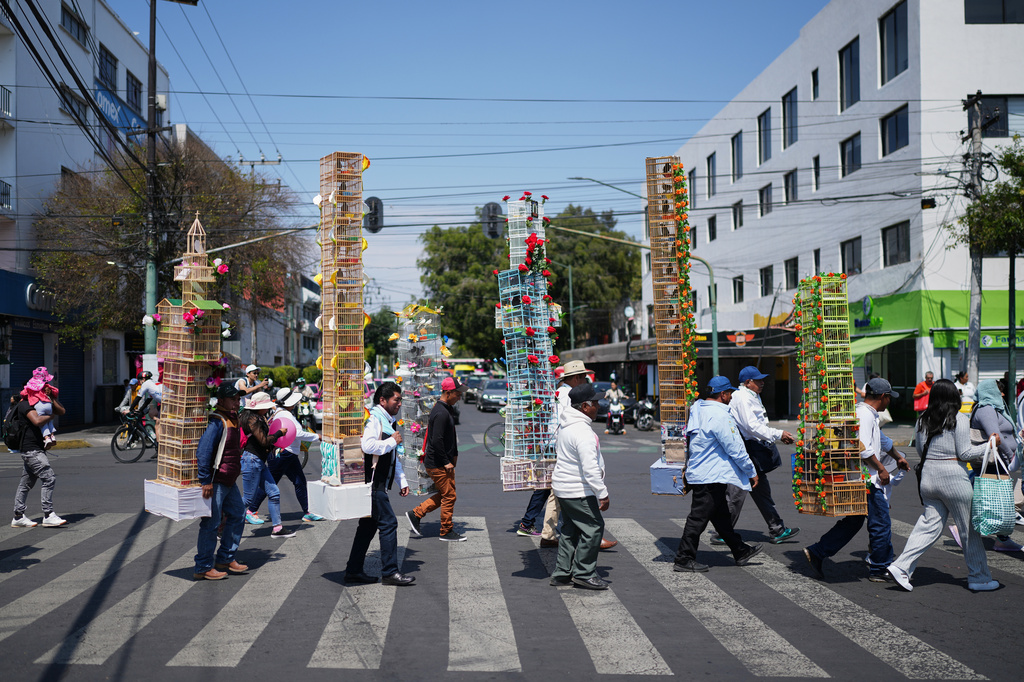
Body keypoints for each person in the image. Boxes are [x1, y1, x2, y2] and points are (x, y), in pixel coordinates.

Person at [887, 379, 999, 592]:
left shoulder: (922, 420)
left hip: (928, 478)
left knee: (929, 526)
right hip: (954, 478)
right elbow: (965, 453)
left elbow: (921, 451)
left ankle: (901, 567)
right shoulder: (959, 418)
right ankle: (980, 577)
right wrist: (989, 446)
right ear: (954, 397)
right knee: (968, 530)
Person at [803, 378, 910, 582]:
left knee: (854, 521)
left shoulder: (866, 413)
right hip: (866, 479)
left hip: (859, 477)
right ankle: (879, 568)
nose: (889, 401)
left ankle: (817, 552)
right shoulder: (864, 414)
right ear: (882, 397)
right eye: (889, 397)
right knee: (880, 522)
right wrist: (881, 469)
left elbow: (882, 441)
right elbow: (861, 446)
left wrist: (898, 457)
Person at [674, 376, 763, 572]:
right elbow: (735, 447)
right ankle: (683, 558)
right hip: (710, 474)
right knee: (698, 518)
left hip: (704, 472)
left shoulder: (700, 408)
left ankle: (740, 550)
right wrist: (750, 471)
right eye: (729, 393)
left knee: (721, 516)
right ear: (722, 394)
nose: (731, 397)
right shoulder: (720, 415)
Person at [714, 366, 799, 545]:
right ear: (747, 383)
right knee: (737, 491)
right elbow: (751, 426)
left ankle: (777, 529)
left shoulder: (751, 395)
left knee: (761, 491)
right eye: (758, 380)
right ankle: (724, 531)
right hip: (748, 449)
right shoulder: (743, 397)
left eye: (762, 380)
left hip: (753, 448)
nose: (762, 383)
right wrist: (777, 434)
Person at [345, 381, 415, 586]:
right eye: (397, 399)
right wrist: (392, 441)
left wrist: (401, 480)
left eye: (400, 399)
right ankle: (390, 572)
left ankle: (353, 570)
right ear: (382, 400)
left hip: (378, 482)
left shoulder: (387, 419)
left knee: (367, 527)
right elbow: (367, 446)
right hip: (372, 484)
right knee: (389, 523)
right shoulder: (374, 419)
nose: (399, 403)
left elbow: (392, 456)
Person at [548, 382, 611, 589]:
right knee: (594, 527)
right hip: (577, 489)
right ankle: (584, 573)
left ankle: (563, 572)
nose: (598, 406)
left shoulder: (567, 426)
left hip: (564, 487)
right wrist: (602, 493)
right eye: (595, 402)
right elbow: (590, 468)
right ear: (584, 406)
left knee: (570, 530)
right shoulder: (582, 431)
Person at [947, 379, 1022, 552]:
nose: (1001, 392)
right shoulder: (986, 409)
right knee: (987, 495)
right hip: (993, 459)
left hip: (995, 459)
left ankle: (1002, 539)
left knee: (990, 496)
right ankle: (962, 528)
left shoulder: (992, 408)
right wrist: (1010, 455)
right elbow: (994, 436)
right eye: (997, 389)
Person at [193, 383, 249, 580]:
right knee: (211, 523)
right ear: (221, 401)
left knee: (238, 514)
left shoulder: (232, 419)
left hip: (229, 480)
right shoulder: (217, 422)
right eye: (233, 399)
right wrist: (205, 481)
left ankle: (225, 558)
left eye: (238, 399)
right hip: (216, 481)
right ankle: (203, 567)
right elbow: (203, 451)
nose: (237, 402)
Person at [249, 388, 324, 524]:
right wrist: (317, 436)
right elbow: (297, 433)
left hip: (287, 454)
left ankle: (307, 511)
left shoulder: (279, 412)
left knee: (299, 481)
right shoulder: (287, 415)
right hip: (284, 454)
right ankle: (251, 510)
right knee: (270, 484)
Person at [406, 376, 467, 541]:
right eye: (457, 394)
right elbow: (436, 440)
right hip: (438, 463)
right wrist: (446, 461)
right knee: (449, 495)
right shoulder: (440, 412)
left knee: (446, 494)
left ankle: (416, 514)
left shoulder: (446, 408)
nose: (459, 397)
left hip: (442, 462)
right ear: (448, 393)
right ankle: (446, 531)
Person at [11, 383, 67, 528]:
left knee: (26, 483)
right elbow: (36, 421)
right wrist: (50, 416)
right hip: (30, 449)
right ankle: (48, 514)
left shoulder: (43, 402)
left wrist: (51, 398)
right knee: (49, 478)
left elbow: (62, 411)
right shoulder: (25, 404)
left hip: (37, 449)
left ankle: (18, 516)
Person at [238, 392, 293, 538]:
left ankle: (277, 528)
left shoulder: (256, 417)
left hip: (258, 461)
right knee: (248, 499)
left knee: (274, 492)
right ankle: (223, 525)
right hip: (252, 461)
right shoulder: (252, 419)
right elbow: (263, 440)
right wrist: (279, 434)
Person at [21, 367, 59, 448]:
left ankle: (46, 438)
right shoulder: (46, 386)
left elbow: (23, 394)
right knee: (49, 420)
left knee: (42, 423)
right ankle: (52, 436)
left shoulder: (29, 386)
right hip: (48, 404)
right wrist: (50, 392)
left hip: (39, 405)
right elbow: (56, 391)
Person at [133, 371, 162, 441]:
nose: (139, 382)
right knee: (151, 413)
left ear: (143, 379)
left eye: (139, 380)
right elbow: (147, 401)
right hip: (164, 403)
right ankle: (158, 419)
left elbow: (138, 398)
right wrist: (140, 410)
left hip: (167, 404)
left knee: (157, 426)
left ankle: (159, 446)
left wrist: (131, 408)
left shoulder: (146, 384)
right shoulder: (152, 383)